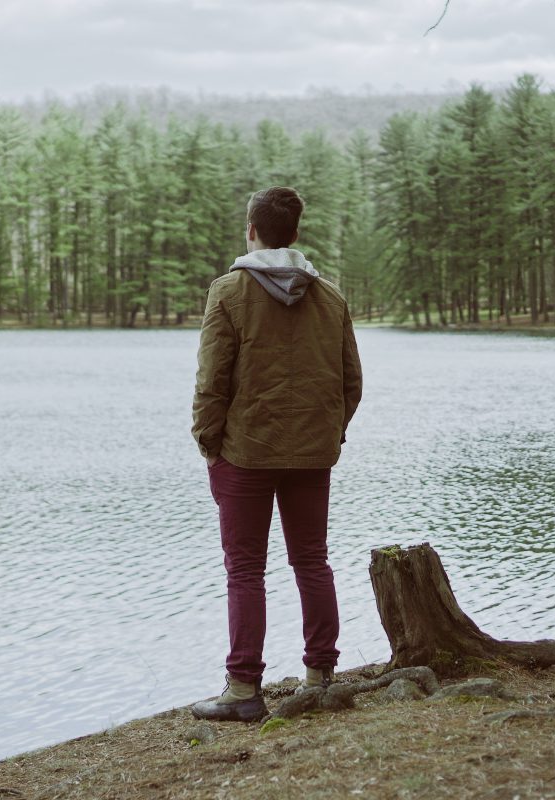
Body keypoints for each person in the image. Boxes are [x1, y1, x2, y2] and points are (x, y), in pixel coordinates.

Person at [190, 186, 362, 723]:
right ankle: (321, 678)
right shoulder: (330, 297)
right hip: (311, 455)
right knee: (312, 562)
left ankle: (243, 690)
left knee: (245, 570)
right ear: (295, 234)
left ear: (251, 230)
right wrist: (326, 436)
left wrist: (209, 446)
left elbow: (211, 383)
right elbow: (350, 383)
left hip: (244, 455)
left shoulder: (229, 292)